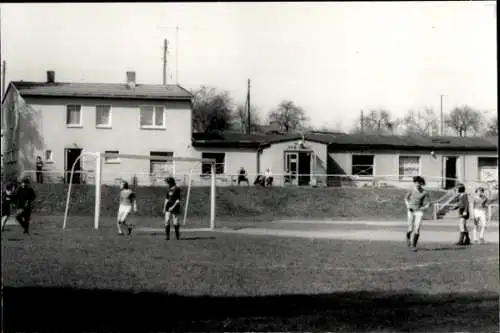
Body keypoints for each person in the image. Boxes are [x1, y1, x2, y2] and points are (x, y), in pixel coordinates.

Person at [404, 176, 431, 252]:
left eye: (419, 182)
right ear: (414, 183)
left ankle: (414, 246)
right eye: (416, 182)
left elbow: (429, 202)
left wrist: (425, 207)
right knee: (410, 229)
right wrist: (408, 206)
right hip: (411, 210)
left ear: (421, 183)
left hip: (419, 211)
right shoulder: (411, 190)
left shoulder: (425, 192)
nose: (417, 184)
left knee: (417, 228)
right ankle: (408, 237)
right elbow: (406, 198)